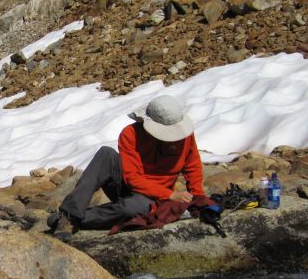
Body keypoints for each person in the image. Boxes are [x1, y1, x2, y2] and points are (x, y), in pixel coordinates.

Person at [50, 94, 206, 240]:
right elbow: (133, 178)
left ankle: (72, 218)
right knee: (106, 154)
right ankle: (69, 216)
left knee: (134, 208)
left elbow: (192, 166)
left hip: (153, 199)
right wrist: (170, 195)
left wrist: (198, 198)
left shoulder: (185, 136)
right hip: (130, 187)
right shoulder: (130, 134)